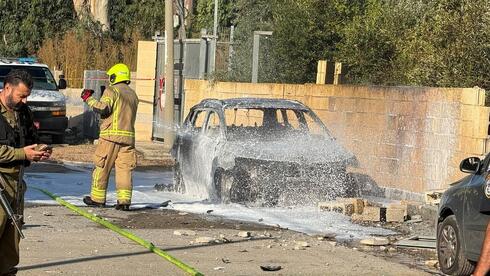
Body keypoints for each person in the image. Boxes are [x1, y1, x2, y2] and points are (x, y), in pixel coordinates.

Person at [0, 69, 51, 275]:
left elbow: (30, 139)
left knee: (11, 239)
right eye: (21, 96)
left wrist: (38, 150)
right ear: (7, 89)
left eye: (27, 96)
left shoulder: (23, 112)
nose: (25, 101)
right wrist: (23, 153)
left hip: (16, 184)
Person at [82, 63, 139, 211]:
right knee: (124, 170)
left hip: (110, 137)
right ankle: (124, 201)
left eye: (110, 76)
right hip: (128, 139)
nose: (109, 79)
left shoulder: (112, 90)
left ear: (115, 76)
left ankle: (97, 199)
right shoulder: (133, 94)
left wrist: (88, 98)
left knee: (102, 167)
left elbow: (103, 108)